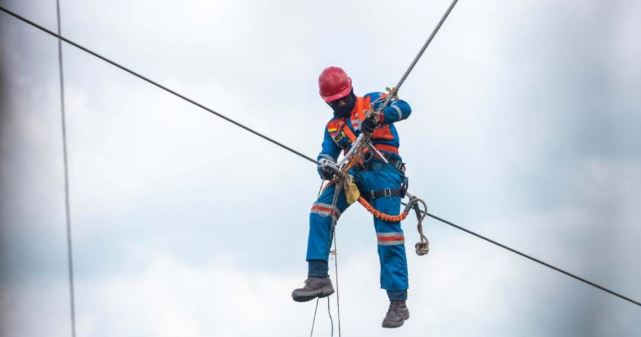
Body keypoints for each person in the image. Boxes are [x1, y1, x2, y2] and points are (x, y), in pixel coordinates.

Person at [291, 66, 413, 328]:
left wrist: (381, 117)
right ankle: (318, 277)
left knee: (388, 235)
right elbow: (326, 154)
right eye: (335, 102)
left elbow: (405, 108)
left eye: (344, 98)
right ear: (328, 102)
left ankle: (398, 302)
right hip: (352, 174)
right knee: (320, 211)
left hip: (384, 171)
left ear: (351, 89)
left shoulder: (372, 102)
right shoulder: (334, 127)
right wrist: (324, 166)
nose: (342, 103)